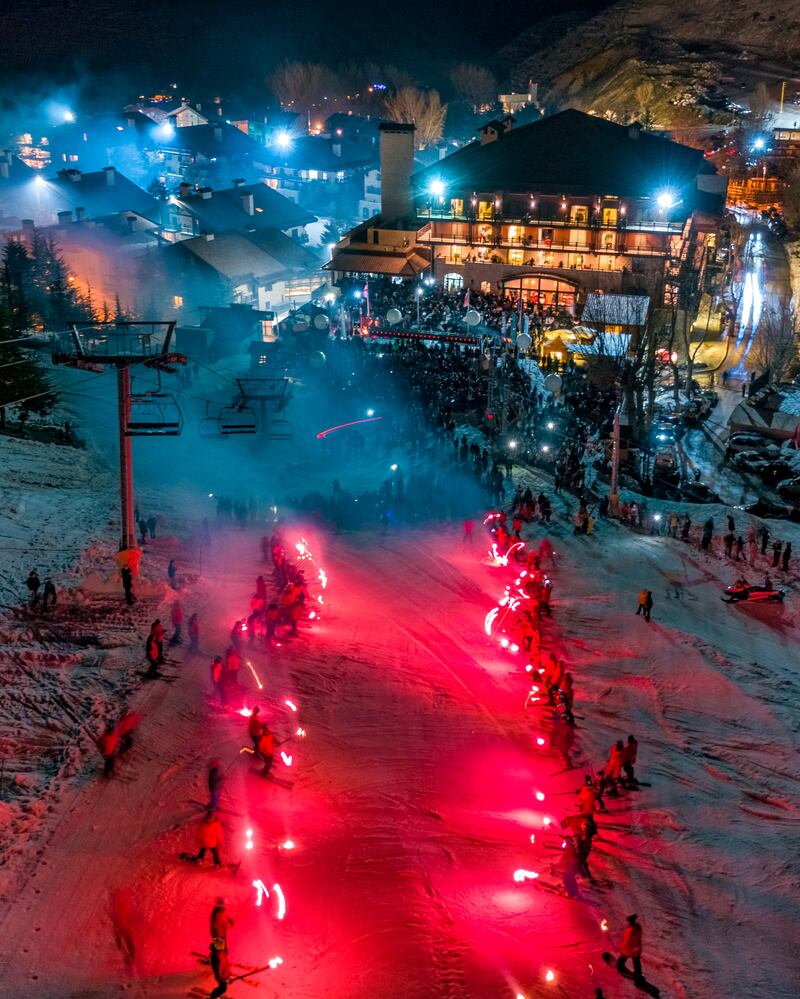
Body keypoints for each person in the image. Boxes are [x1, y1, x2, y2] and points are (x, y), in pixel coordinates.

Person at [617, 913, 644, 982]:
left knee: (623, 959)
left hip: (630, 948)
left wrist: (622, 948)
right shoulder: (638, 927)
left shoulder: (631, 930)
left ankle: (620, 967)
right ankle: (638, 975)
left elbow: (627, 941)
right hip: (636, 948)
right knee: (636, 962)